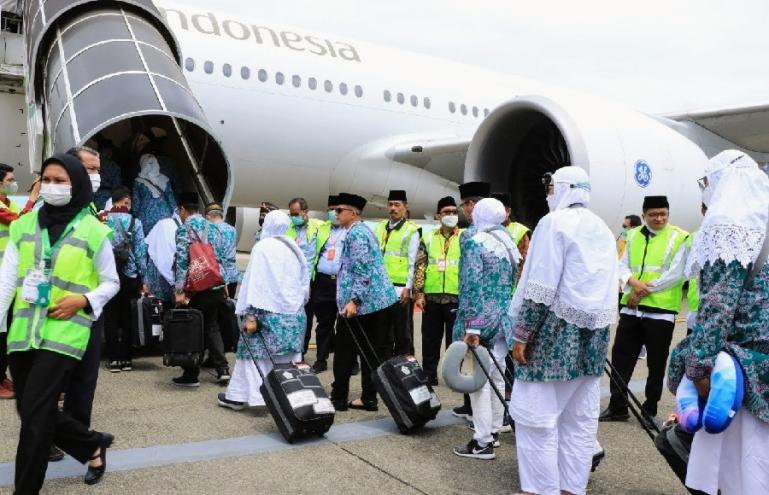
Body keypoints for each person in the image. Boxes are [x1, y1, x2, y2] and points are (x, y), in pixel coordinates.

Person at [0, 153, 119, 492]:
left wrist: (84, 300)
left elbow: (111, 282)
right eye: (47, 180)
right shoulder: (23, 225)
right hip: (24, 332)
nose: (52, 187)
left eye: (60, 181)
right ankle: (90, 444)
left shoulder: (94, 230)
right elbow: (7, 280)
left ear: (76, 185)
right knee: (29, 407)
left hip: (65, 332)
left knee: (35, 419)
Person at [509, 166, 617, 495]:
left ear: (564, 188)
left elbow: (540, 286)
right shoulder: (602, 226)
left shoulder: (553, 223)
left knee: (535, 421)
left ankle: (541, 490)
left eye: (551, 186)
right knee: (579, 423)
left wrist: (522, 334)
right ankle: (572, 489)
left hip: (553, 337)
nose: (548, 192)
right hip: (593, 339)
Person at [667, 150, 769, 495]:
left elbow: (717, 306)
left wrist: (697, 369)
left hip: (741, 372)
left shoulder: (730, 222)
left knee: (739, 469)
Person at [601, 195, 689, 428]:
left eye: (663, 214)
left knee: (656, 363)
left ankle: (650, 409)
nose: (659, 218)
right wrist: (630, 280)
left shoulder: (679, 237)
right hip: (631, 310)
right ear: (643, 216)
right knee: (621, 358)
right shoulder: (632, 235)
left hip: (660, 311)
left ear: (668, 214)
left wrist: (639, 291)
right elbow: (621, 264)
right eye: (653, 215)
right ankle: (618, 406)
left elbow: (675, 273)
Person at [217, 210, 309, 410]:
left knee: (250, 356)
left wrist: (250, 315)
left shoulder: (263, 247)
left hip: (266, 316)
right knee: (286, 360)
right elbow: (303, 284)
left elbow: (254, 284)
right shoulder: (294, 248)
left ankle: (243, 397)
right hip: (293, 316)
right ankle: (286, 395)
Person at [451, 197, 520, 460]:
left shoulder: (475, 241)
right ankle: (494, 428)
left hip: (481, 320)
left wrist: (473, 327)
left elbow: (472, 288)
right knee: (498, 374)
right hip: (504, 318)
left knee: (478, 380)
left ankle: (481, 441)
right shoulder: (507, 242)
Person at [330, 193, 398, 412]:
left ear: (354, 212)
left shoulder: (356, 234)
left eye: (340, 210)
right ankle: (369, 398)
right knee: (370, 352)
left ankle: (338, 397)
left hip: (363, 305)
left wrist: (354, 300)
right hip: (376, 303)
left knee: (344, 352)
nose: (336, 214)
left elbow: (363, 271)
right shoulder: (362, 230)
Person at [173, 192, 230, 386]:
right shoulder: (213, 227)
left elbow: (182, 261)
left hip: (196, 287)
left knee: (192, 327)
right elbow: (220, 257)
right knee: (212, 326)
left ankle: (191, 374)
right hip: (215, 283)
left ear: (183, 210)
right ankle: (222, 369)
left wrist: (179, 290)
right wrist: (224, 284)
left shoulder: (184, 229)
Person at [451, 180, 491, 422]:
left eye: (467, 204)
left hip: (475, 311)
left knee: (474, 368)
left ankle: (482, 429)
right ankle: (495, 422)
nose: (465, 209)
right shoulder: (502, 233)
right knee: (495, 371)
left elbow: (472, 281)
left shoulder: (470, 236)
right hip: (498, 313)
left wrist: (472, 323)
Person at [0, 163, 39, 400]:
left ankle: (2, 374)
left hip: (8, 275)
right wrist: (32, 197)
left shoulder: (7, 202)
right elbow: (19, 222)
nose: (13, 183)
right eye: (10, 179)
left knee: (7, 329)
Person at [415, 196, 461, 386]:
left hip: (456, 297)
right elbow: (420, 265)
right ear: (438, 216)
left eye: (454, 212)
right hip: (432, 297)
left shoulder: (465, 237)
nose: (450, 215)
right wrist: (419, 293)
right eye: (446, 212)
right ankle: (429, 374)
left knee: (454, 342)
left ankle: (453, 376)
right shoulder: (428, 237)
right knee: (430, 339)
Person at [104, 186, 147, 372]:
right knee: (128, 316)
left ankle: (113, 359)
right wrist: (144, 277)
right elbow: (140, 253)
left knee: (111, 316)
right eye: (127, 202)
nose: (128, 206)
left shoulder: (103, 221)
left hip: (108, 274)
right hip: (129, 276)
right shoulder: (135, 222)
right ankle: (127, 359)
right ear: (121, 202)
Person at [375, 190, 420, 356]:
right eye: (390, 204)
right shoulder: (380, 227)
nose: (393, 208)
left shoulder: (411, 230)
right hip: (382, 289)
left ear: (405, 207)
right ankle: (385, 367)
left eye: (397, 205)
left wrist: (409, 287)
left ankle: (404, 369)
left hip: (400, 290)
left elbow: (412, 262)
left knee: (402, 334)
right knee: (382, 333)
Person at [309, 195, 346, 373]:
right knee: (324, 324)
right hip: (323, 283)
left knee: (345, 325)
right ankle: (321, 360)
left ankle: (348, 362)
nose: (334, 213)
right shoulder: (322, 228)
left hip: (342, 283)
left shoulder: (351, 231)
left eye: (337, 209)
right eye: (331, 209)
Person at [286, 197, 323, 362]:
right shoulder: (289, 228)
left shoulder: (318, 226)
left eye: (296, 213)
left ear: (305, 212)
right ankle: (298, 351)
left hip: (314, 280)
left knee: (318, 320)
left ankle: (316, 354)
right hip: (294, 281)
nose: (293, 217)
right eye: (291, 214)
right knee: (299, 318)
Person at [132, 153, 177, 235]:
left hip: (146, 219)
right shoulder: (165, 179)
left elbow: (136, 205)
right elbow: (171, 200)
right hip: (165, 217)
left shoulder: (138, 181)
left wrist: (137, 215)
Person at [205, 203, 240, 298]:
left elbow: (215, 255)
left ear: (208, 216)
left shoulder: (211, 231)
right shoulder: (232, 229)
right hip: (233, 274)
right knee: (228, 308)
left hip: (219, 277)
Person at [144, 216, 179, 305]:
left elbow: (146, 245)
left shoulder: (163, 224)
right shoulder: (196, 225)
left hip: (158, 278)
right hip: (179, 279)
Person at [492, 192, 531, 258]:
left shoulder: (519, 230)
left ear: (508, 211)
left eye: (499, 210)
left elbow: (525, 258)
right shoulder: (485, 229)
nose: (496, 213)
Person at [90, 138, 122, 211]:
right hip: (107, 200)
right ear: (100, 152)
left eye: (110, 152)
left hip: (93, 199)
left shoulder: (92, 164)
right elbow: (117, 186)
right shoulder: (114, 166)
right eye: (107, 152)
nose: (109, 154)